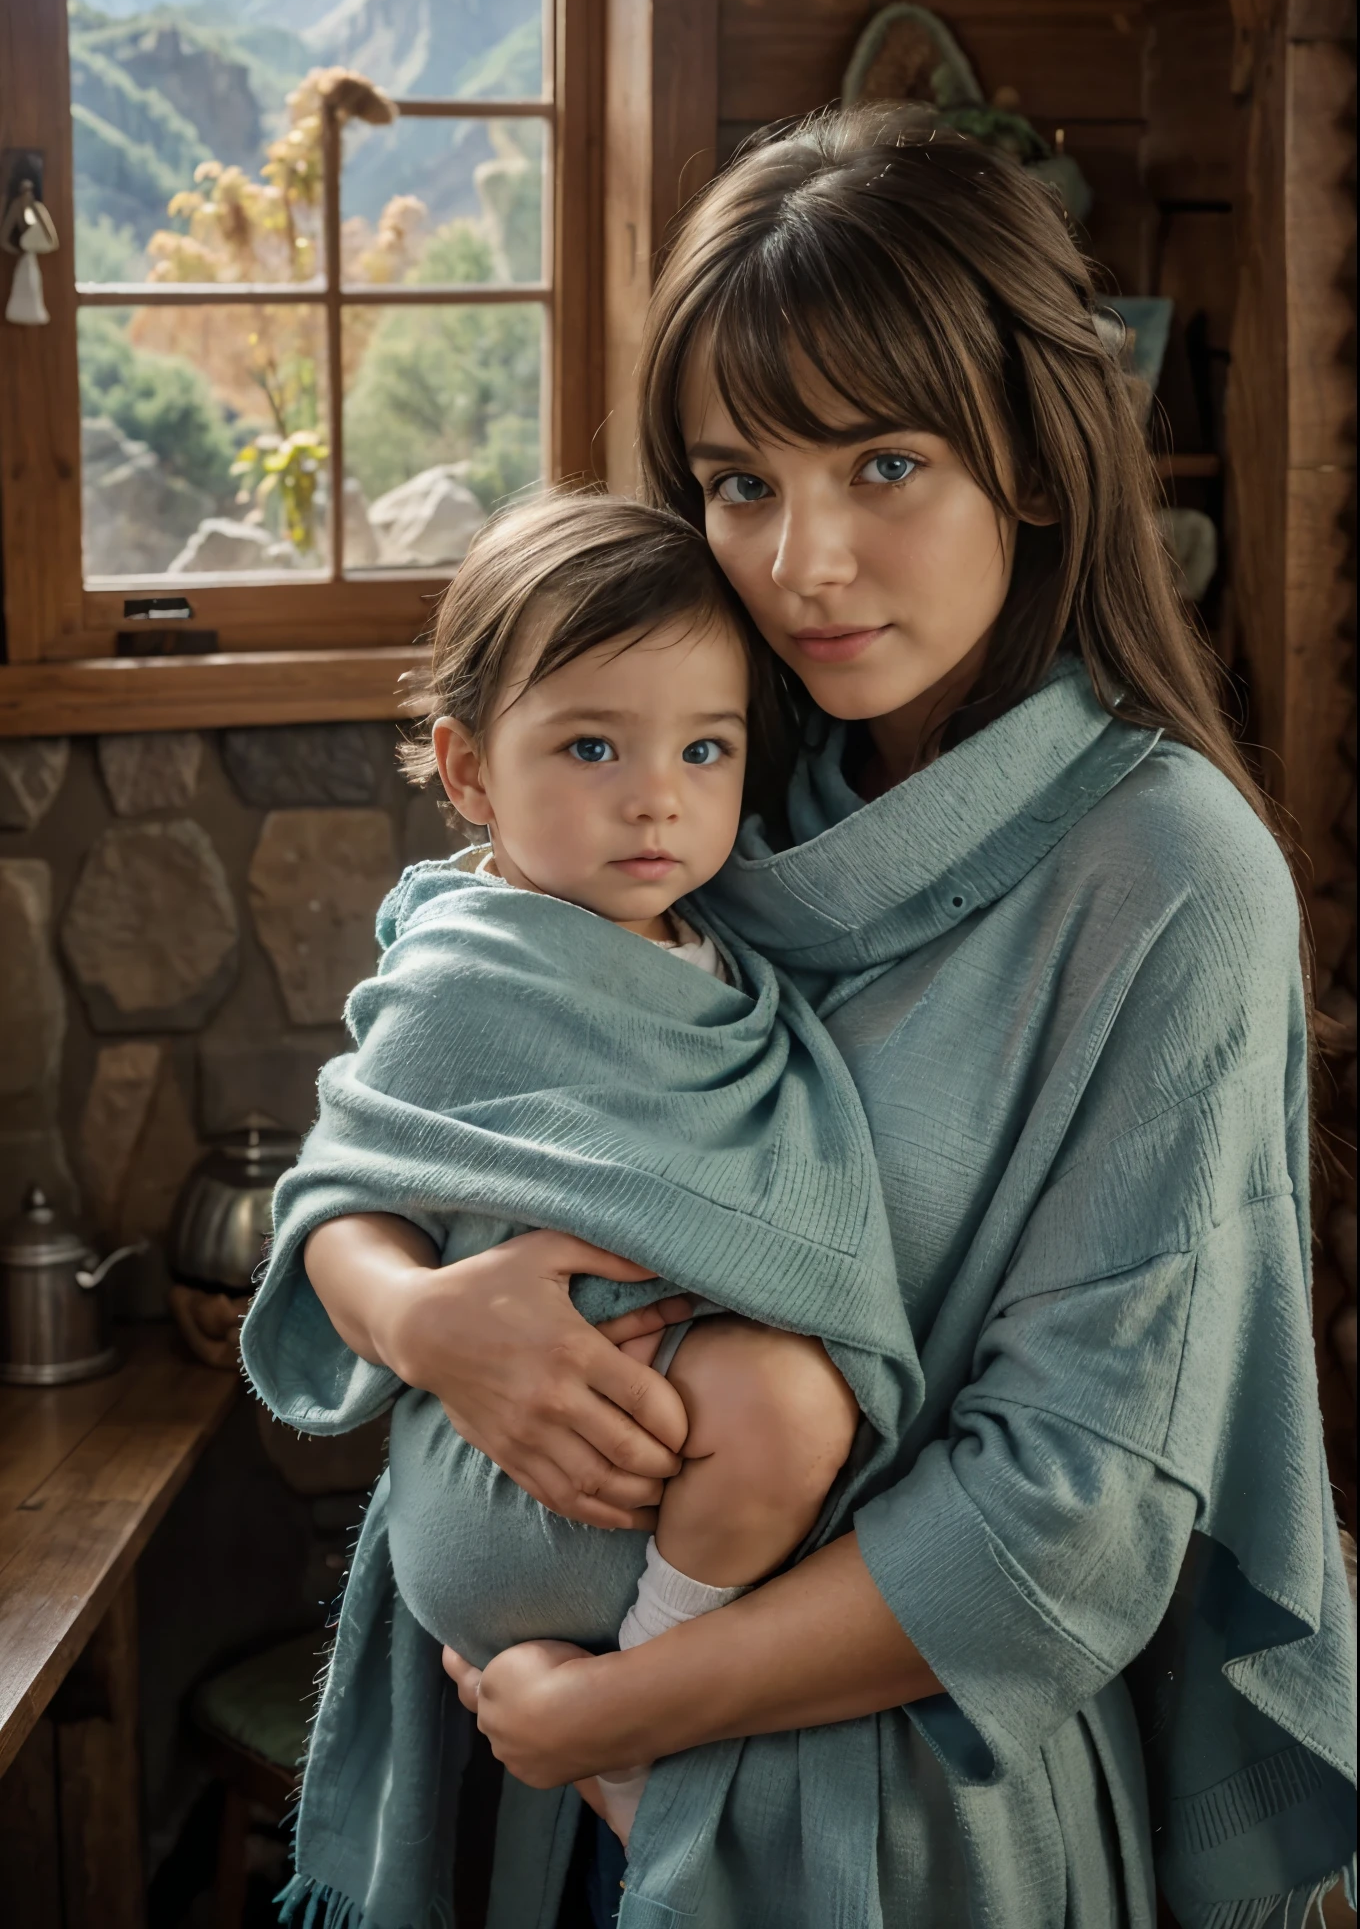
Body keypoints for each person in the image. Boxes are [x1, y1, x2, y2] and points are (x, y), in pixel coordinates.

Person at [279, 105, 1357, 1928]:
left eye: (884, 465)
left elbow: (1071, 1513)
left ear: (1028, 456)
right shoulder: (701, 781)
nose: (804, 566)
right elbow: (382, 1122)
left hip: (885, 1816)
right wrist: (428, 1316)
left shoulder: (1169, 883)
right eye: (743, 481)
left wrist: (613, 1714)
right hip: (508, 1750)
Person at [240, 490, 919, 1914]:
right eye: (591, 747)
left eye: (705, 748)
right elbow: (340, 1196)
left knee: (793, 1406)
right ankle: (645, 1730)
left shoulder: (725, 965)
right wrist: (420, 1312)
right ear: (469, 773)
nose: (656, 795)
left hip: (665, 1467)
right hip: (523, 1487)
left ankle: (634, 1693)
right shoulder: (473, 967)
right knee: (792, 1408)